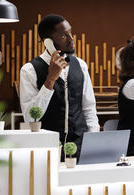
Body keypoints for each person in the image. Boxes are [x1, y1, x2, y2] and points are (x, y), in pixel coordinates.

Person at [20, 14, 99, 159]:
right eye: (64, 36)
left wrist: (92, 143)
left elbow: (89, 108)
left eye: (71, 33)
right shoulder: (29, 70)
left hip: (81, 146)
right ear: (47, 42)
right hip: (47, 149)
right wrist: (50, 79)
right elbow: (30, 117)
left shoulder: (81, 65)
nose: (71, 39)